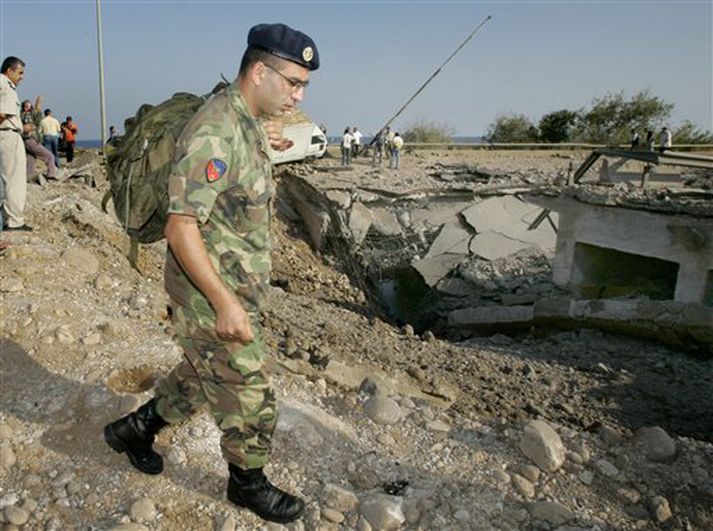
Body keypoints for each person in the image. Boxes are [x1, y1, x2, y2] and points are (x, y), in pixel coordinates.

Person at [103, 23, 320, 525]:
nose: (299, 93)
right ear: (259, 71)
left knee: (203, 377)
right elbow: (182, 228)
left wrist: (265, 141)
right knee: (251, 391)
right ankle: (247, 485)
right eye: (292, 81)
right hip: (209, 292)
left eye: (304, 84)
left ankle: (136, 430)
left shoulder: (244, 116)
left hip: (237, 284)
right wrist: (225, 303)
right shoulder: (216, 130)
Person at [0, 56, 32, 232]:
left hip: (9, 134)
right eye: (20, 72)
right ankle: (14, 221)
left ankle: (12, 219)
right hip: (7, 136)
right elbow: (2, 114)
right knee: (14, 180)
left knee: (11, 179)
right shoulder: (4, 84)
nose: (22, 77)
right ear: (10, 70)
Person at [24, 100, 60, 182]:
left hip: (44, 137)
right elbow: (58, 129)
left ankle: (29, 176)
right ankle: (51, 175)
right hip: (46, 137)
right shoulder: (28, 116)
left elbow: (40, 129)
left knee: (31, 158)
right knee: (50, 155)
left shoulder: (42, 120)